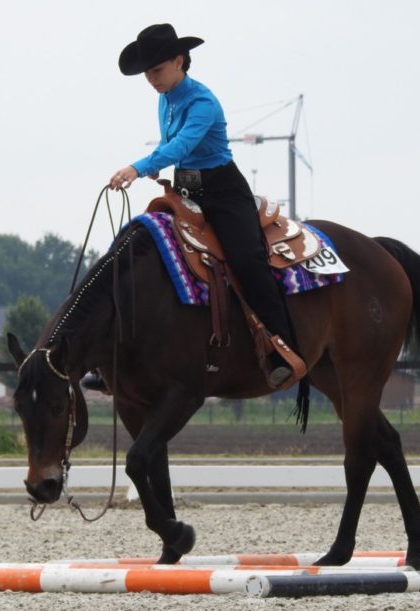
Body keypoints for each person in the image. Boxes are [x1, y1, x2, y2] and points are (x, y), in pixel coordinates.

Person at [107, 23, 303, 389]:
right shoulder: (164, 97)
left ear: (179, 61)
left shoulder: (202, 103)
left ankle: (282, 347)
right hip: (186, 191)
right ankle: (123, 357)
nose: (151, 79)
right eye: (147, 73)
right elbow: (176, 148)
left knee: (247, 260)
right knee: (144, 250)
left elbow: (180, 146)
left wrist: (139, 167)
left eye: (157, 70)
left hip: (225, 193)